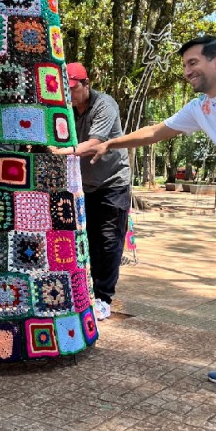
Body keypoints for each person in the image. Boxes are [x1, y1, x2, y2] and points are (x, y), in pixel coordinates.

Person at [78, 35, 216, 389]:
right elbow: (155, 132)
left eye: (193, 63)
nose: (187, 71)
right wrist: (109, 142)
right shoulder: (201, 108)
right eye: (184, 65)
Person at [63, 62, 130, 320]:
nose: (70, 95)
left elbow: (94, 143)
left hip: (112, 183)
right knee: (86, 240)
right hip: (83, 186)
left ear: (86, 84)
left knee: (109, 241)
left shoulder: (104, 105)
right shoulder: (66, 110)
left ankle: (104, 298)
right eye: (65, 90)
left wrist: (64, 152)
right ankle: (88, 291)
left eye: (73, 88)